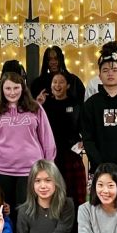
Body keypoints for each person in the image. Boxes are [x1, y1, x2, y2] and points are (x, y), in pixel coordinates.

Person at [0, 71, 56, 224]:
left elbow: (47, 139)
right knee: (2, 213)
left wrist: (48, 167)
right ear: (2, 89)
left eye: (16, 88)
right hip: (0, 170)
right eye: (8, 88)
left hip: (29, 170)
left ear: (23, 88)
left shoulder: (35, 108)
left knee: (27, 213)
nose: (12, 92)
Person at [41, 72, 87, 208]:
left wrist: (83, 142)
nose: (57, 85)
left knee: (75, 194)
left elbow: (85, 127)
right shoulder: (45, 105)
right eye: (54, 82)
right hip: (51, 155)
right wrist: (38, 104)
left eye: (61, 82)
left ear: (67, 85)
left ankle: (76, 220)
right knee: (53, 193)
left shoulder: (76, 104)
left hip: (71, 154)